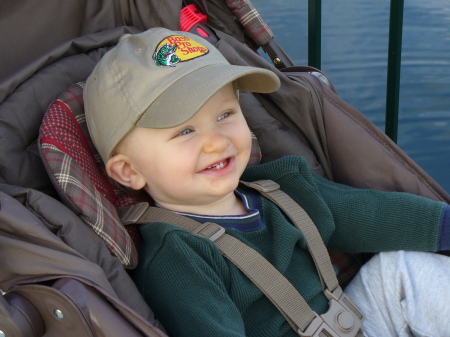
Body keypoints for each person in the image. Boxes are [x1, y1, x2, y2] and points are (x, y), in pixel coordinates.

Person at [84, 27, 450, 337]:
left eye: (225, 113)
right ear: (129, 173)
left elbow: (365, 214)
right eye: (185, 130)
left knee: (399, 269)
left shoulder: (278, 187)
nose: (216, 140)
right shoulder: (177, 258)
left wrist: (444, 225)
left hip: (351, 318)